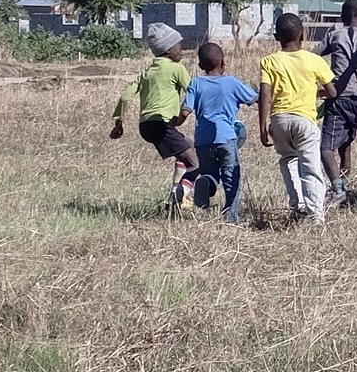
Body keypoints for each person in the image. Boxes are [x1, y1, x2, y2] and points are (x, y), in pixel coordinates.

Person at [258, 13, 336, 225]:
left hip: (280, 120)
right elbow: (332, 91)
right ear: (302, 35)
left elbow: (265, 94)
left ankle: (298, 205)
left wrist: (263, 127)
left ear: (276, 37)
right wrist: (315, 92)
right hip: (305, 121)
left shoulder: (269, 61)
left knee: (288, 160)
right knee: (310, 167)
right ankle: (316, 217)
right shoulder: (314, 60)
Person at [111, 23, 198, 208]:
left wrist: (119, 123)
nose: (182, 51)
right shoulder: (176, 69)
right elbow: (193, 92)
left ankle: (176, 191)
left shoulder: (146, 73)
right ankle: (180, 197)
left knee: (187, 148)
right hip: (162, 124)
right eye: (179, 46)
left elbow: (125, 96)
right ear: (168, 49)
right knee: (195, 163)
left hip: (146, 126)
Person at [179, 42, 258, 224]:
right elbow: (255, 98)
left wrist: (175, 123)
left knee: (209, 173)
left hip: (203, 141)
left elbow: (185, 111)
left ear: (200, 66)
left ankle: (207, 182)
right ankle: (230, 218)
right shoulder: (231, 82)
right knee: (232, 178)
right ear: (223, 62)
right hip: (226, 137)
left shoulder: (196, 83)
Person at [315, 0, 357, 205]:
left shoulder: (335, 35)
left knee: (325, 149)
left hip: (338, 98)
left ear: (343, 17)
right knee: (345, 145)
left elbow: (313, 56)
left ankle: (338, 189)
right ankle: (344, 184)